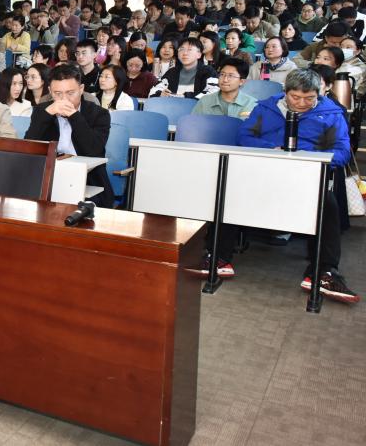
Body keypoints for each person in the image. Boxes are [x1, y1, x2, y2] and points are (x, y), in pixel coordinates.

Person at [229, 69, 358, 302]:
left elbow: (342, 152)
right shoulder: (266, 109)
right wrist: (271, 149)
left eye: (309, 98)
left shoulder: (330, 114)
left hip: (306, 176)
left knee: (328, 204)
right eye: (295, 97)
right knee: (226, 191)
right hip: (264, 172)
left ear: (319, 93)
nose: (301, 103)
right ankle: (217, 257)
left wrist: (308, 156)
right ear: (285, 92)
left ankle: (324, 272)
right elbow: (244, 137)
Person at [24, 64, 114, 207]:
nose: (64, 99)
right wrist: (47, 115)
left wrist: (74, 116)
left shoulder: (99, 114)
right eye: (58, 93)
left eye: (70, 93)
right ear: (50, 91)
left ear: (81, 89)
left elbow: (93, 150)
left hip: (88, 179)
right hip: (49, 177)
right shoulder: (43, 111)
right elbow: (29, 147)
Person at [149, 38, 218, 99]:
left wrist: (184, 96)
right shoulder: (172, 72)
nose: (185, 53)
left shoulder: (208, 71)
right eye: (181, 49)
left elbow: (213, 93)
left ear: (199, 54)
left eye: (189, 50)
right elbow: (153, 91)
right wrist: (161, 94)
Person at [192, 57, 257, 118]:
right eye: (222, 74)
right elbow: (193, 124)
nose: (225, 80)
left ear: (241, 81)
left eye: (231, 76)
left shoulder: (252, 104)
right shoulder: (205, 101)